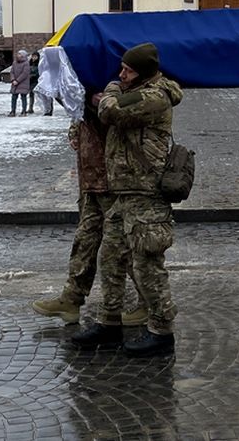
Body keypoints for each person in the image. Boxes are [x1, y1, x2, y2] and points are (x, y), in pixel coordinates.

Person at [71, 43, 183, 358]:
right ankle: (109, 322)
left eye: (128, 70)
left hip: (146, 194)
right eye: (120, 69)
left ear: (144, 73)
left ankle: (162, 331)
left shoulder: (154, 97)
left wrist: (109, 88)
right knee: (111, 258)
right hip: (123, 191)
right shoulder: (135, 88)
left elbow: (109, 110)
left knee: (147, 263)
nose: (121, 74)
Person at [32, 92, 147, 326]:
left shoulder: (114, 90)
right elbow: (79, 114)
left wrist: (90, 101)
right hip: (91, 179)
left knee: (121, 247)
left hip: (112, 181)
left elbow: (115, 117)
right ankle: (72, 298)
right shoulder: (86, 89)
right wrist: (75, 127)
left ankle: (150, 301)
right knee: (85, 240)